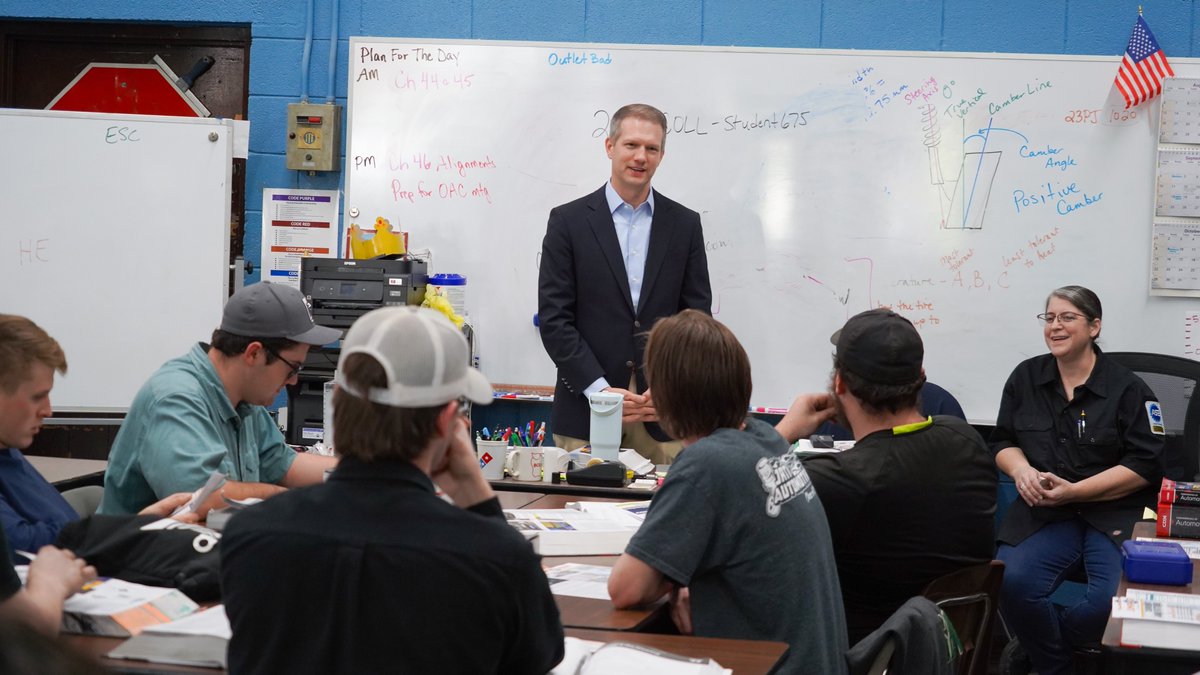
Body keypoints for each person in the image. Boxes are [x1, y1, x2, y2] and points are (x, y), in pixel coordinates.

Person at [221, 306, 564, 674]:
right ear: (448, 423)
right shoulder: (494, 557)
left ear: (336, 403)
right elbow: (540, 656)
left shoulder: (249, 534)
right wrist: (478, 500)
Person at [608, 310, 848, 675]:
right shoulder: (764, 438)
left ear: (666, 399)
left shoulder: (706, 464)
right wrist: (681, 577)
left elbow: (625, 589)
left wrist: (676, 577)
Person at [776, 308, 996, 644]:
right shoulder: (967, 441)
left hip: (863, 658)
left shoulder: (838, 482)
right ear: (921, 375)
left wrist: (784, 431)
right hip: (947, 652)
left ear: (840, 383)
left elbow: (735, 489)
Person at [991, 285, 1163, 675]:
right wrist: (1022, 471)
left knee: (1110, 603)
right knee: (1010, 582)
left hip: (1116, 513)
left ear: (1094, 327)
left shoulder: (1129, 389)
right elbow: (1002, 441)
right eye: (1049, 318)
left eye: (1067, 317)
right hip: (1047, 511)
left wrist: (1076, 491)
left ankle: (1044, 650)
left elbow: (1146, 464)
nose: (1055, 326)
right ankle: (1057, 666)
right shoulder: (1026, 377)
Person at [538, 103, 712, 464]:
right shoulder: (568, 222)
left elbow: (696, 321)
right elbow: (554, 319)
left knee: (664, 515)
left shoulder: (684, 225)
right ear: (610, 147)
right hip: (586, 412)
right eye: (631, 145)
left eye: (651, 148)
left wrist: (667, 391)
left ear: (662, 155)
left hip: (662, 415)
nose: (640, 157)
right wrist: (600, 392)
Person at [99, 282, 343, 516]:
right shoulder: (176, 399)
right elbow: (205, 499)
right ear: (254, 353)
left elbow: (283, 466)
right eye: (292, 368)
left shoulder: (244, 398)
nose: (293, 382)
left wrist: (365, 475)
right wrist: (290, 500)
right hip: (142, 556)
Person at [0, 315, 195, 557]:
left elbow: (64, 536)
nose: (48, 410)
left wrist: (135, 526)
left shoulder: (9, 455)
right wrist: (129, 529)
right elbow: (25, 546)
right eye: (37, 397)